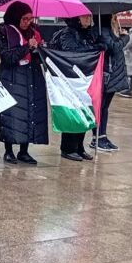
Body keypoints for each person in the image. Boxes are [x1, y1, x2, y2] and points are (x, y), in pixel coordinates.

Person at [0, 2, 47, 165]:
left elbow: (41, 58)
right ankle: (8, 150)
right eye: (24, 19)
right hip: (12, 77)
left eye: (30, 19)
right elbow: (7, 57)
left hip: (31, 76)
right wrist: (26, 47)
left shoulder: (34, 32)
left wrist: (38, 49)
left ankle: (24, 151)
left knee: (30, 112)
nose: (27, 22)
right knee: (11, 113)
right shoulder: (4, 31)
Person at [48, 15, 105, 161]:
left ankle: (79, 146)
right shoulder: (67, 33)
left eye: (89, 17)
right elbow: (73, 53)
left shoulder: (88, 33)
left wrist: (99, 44)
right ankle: (68, 148)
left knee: (85, 112)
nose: (88, 19)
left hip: (84, 81)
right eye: (85, 17)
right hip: (70, 81)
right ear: (76, 18)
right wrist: (92, 49)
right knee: (72, 113)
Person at [90, 14, 129, 152]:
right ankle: (97, 137)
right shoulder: (101, 30)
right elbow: (113, 47)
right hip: (106, 73)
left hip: (112, 74)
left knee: (104, 107)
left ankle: (102, 135)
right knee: (100, 107)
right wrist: (125, 38)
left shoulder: (106, 30)